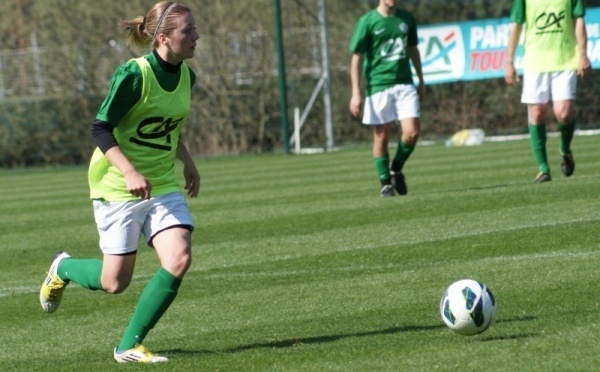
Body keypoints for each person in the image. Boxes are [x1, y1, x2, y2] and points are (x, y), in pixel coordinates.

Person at [39, 1, 200, 363]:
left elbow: (167, 127)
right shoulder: (133, 75)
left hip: (161, 183)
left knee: (179, 258)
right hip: (117, 185)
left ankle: (128, 345)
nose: (196, 36)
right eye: (188, 30)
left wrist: (187, 161)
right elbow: (100, 128)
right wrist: (129, 171)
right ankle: (63, 267)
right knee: (115, 283)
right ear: (163, 38)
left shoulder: (189, 77)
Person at [505, 0, 591, 183]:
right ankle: (543, 169)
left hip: (565, 60)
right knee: (536, 113)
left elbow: (578, 20)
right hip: (535, 62)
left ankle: (565, 149)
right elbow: (516, 25)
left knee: (564, 113)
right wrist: (509, 61)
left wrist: (582, 53)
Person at [349, 0, 424, 198]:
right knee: (382, 135)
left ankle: (396, 168)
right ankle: (385, 183)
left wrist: (421, 80)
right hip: (378, 85)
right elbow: (357, 58)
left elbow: (413, 49)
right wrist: (356, 92)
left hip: (405, 83)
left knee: (412, 133)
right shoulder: (367, 21)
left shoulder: (406, 18)